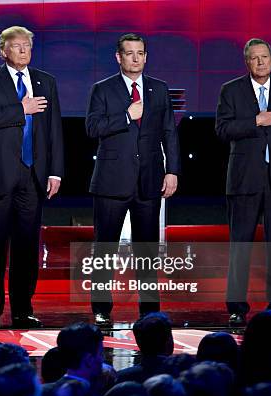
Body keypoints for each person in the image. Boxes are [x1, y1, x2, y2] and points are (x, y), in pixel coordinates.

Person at [0, 25, 64, 329]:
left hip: (32, 175)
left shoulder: (45, 81)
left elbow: (53, 131)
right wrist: (20, 109)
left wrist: (55, 171)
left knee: (26, 248)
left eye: (27, 46)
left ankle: (23, 308)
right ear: (3, 50)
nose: (23, 51)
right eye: (17, 46)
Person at [85, 33, 180, 326]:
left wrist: (172, 170)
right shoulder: (103, 89)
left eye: (140, 53)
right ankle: (101, 307)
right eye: (130, 53)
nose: (136, 58)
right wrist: (126, 115)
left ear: (146, 56)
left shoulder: (159, 89)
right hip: (112, 181)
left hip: (149, 180)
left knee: (147, 249)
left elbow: (169, 133)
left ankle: (150, 310)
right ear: (119, 57)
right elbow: (92, 127)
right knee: (105, 248)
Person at [215, 38, 271, 326]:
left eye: (265, 57)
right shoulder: (231, 90)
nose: (261, 62)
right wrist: (256, 120)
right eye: (255, 58)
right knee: (240, 245)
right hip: (244, 181)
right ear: (247, 62)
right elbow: (222, 129)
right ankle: (237, 308)